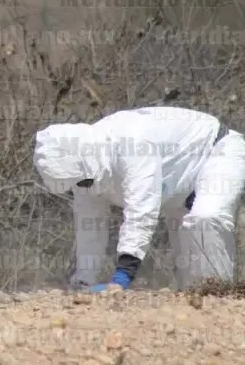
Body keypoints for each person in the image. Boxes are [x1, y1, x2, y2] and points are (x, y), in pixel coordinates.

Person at [33, 106, 245, 292]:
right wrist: (83, 280)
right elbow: (90, 225)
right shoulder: (83, 172)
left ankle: (222, 302)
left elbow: (141, 212)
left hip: (217, 150)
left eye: (82, 183)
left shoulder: (131, 144)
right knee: (192, 286)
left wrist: (122, 277)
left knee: (205, 220)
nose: (81, 189)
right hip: (177, 190)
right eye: (74, 187)